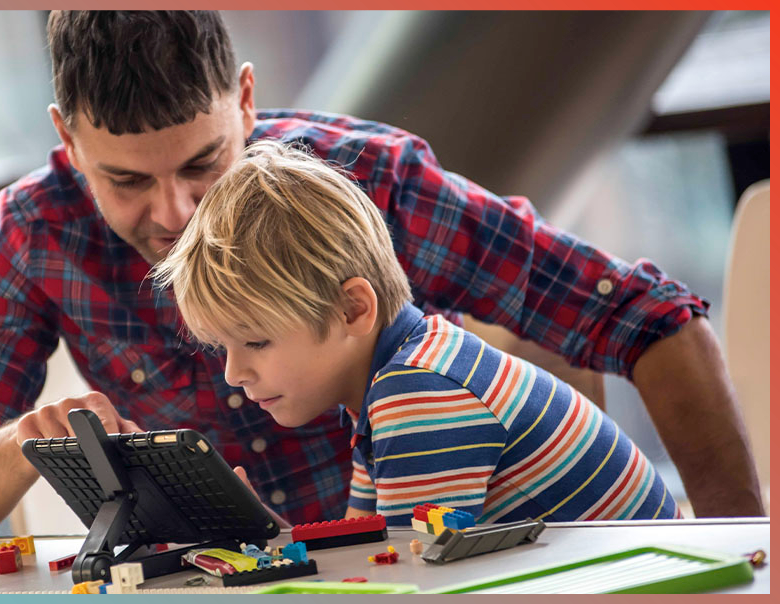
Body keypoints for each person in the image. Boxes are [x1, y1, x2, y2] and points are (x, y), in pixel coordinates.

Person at [0, 10, 760, 546]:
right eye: (127, 181)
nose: (178, 214)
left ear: (248, 99)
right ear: (68, 140)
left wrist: (740, 561)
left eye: (203, 162)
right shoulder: (33, 233)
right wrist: (29, 437)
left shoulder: (363, 181)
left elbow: (648, 320)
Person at [154, 140, 681, 524]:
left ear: (352, 310)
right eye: (223, 346)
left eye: (257, 342)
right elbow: (367, 548)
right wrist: (261, 530)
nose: (233, 372)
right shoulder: (392, 383)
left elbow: (399, 584)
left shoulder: (419, 393)